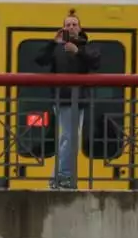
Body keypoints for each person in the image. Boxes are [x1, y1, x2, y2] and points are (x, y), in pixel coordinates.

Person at [35, 11, 101, 189]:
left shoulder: (88, 46)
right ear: (63, 28)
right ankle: (62, 176)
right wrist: (52, 43)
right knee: (69, 137)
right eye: (68, 25)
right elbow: (39, 60)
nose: (71, 27)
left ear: (80, 28)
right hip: (62, 98)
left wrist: (77, 51)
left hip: (79, 99)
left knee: (69, 138)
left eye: (74, 24)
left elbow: (95, 62)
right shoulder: (57, 47)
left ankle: (59, 176)